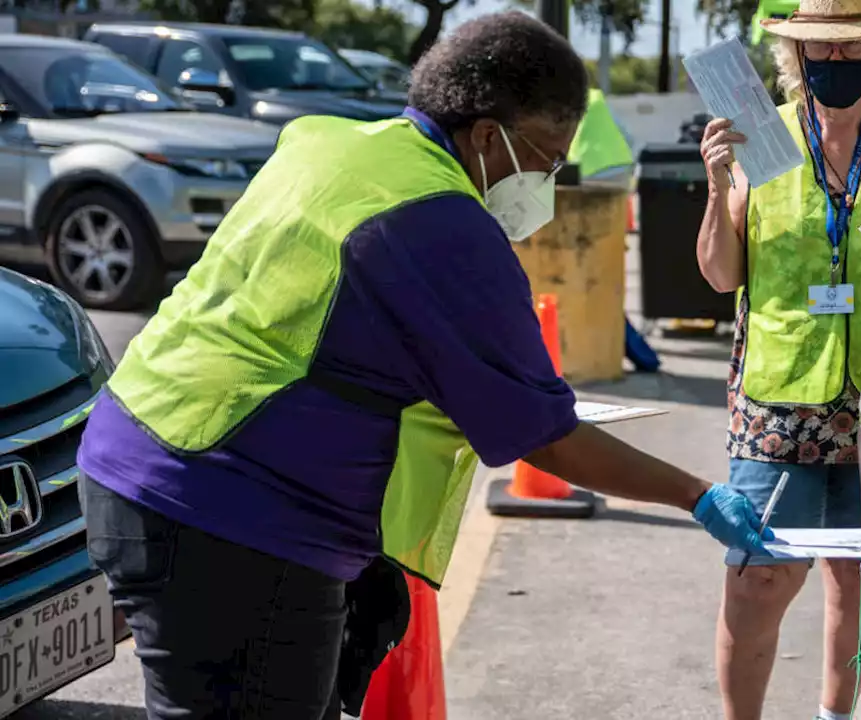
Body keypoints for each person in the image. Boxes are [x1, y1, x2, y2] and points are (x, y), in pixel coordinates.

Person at [75, 12, 771, 719]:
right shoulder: (442, 220)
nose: (548, 183)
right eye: (547, 159)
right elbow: (545, 433)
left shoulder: (331, 143)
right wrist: (696, 495)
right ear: (485, 135)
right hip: (236, 513)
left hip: (137, 450)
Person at [694, 1, 861, 718]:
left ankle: (836, 715)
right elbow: (721, 275)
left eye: (852, 50)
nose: (835, 64)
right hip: (780, 397)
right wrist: (718, 188)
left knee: (859, 579)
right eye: (821, 49)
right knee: (757, 582)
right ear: (796, 53)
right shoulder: (763, 137)